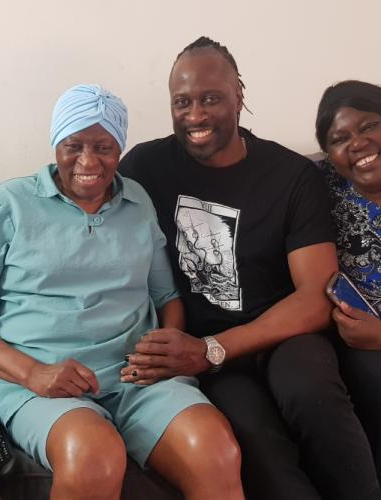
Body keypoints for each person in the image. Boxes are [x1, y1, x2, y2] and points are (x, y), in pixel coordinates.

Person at [0, 84, 245, 500]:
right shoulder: (11, 203)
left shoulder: (137, 201)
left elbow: (166, 297)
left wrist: (167, 345)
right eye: (73, 146)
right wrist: (33, 373)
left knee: (215, 450)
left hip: (138, 379)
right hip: (42, 381)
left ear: (120, 150)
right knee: (92, 455)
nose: (88, 161)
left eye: (104, 147)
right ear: (56, 145)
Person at [119, 36, 381, 500]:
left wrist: (212, 350)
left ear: (239, 94)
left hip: (285, 336)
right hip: (206, 351)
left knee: (311, 393)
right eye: (182, 102)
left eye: (211, 99)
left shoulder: (291, 176)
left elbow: (314, 296)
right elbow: (90, 213)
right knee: (254, 436)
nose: (195, 115)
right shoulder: (146, 165)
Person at [315, 79, 381, 480]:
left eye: (369, 126)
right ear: (329, 155)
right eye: (340, 139)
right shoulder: (321, 187)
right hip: (355, 342)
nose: (357, 143)